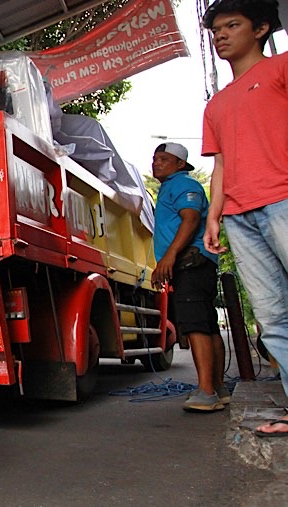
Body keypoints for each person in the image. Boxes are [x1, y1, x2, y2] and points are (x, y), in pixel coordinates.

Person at [199, 0, 287, 434]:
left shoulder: (281, 69)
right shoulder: (215, 105)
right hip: (238, 216)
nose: (221, 35)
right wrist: (214, 217)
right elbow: (220, 166)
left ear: (262, 28)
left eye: (232, 25)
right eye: (216, 29)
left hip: (284, 201)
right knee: (271, 318)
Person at [149, 143, 227, 412]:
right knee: (206, 325)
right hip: (195, 263)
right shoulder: (171, 187)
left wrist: (169, 257)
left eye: (164, 159)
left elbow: (191, 219)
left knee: (195, 326)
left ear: (180, 164)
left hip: (191, 263)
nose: (156, 163)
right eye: (155, 159)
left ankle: (207, 392)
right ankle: (217, 387)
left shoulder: (183, 185)